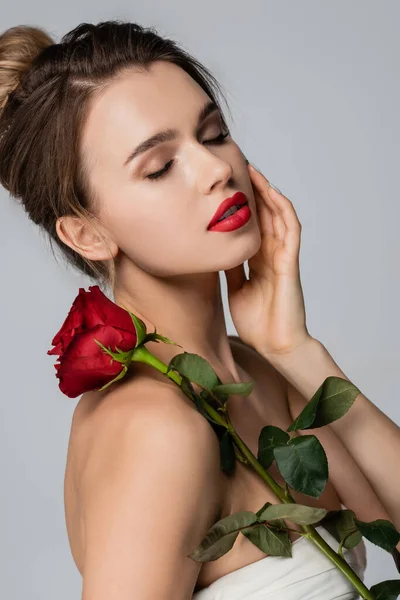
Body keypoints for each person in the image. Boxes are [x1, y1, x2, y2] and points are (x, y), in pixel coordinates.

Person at [1, 19, 398, 600]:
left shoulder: (261, 373)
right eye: (159, 167)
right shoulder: (154, 428)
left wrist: (296, 352)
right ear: (85, 233)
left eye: (213, 135)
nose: (217, 170)